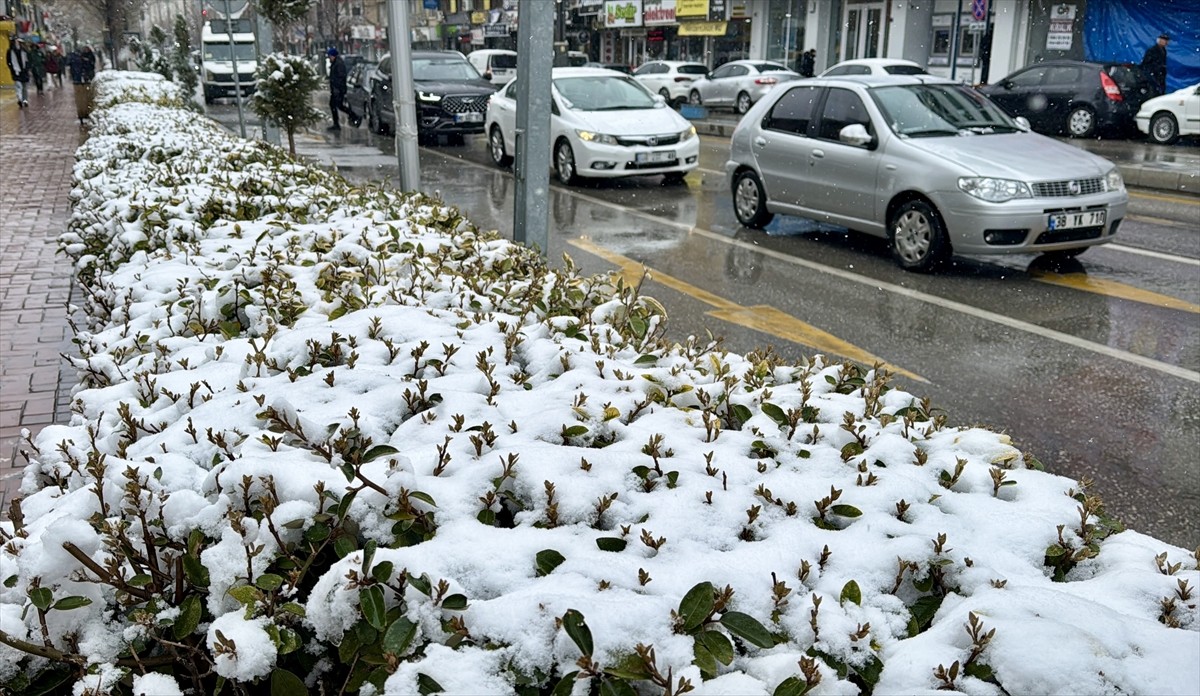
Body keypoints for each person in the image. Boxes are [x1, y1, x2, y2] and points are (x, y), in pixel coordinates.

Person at [326, 47, 348, 131]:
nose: (329, 58)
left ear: (333, 56)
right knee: (337, 105)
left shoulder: (338, 64)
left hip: (338, 90)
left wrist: (337, 89)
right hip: (336, 89)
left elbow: (340, 77)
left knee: (337, 105)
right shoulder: (336, 63)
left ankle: (354, 117)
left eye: (330, 56)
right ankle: (337, 123)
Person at [5, 37, 30, 107]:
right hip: (16, 71)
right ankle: (20, 99)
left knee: (24, 87)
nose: (17, 43)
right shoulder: (10, 51)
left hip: (24, 71)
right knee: (18, 86)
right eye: (16, 41)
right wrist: (12, 68)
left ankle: (25, 100)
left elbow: (27, 60)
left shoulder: (24, 50)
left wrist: (27, 68)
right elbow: (8, 61)